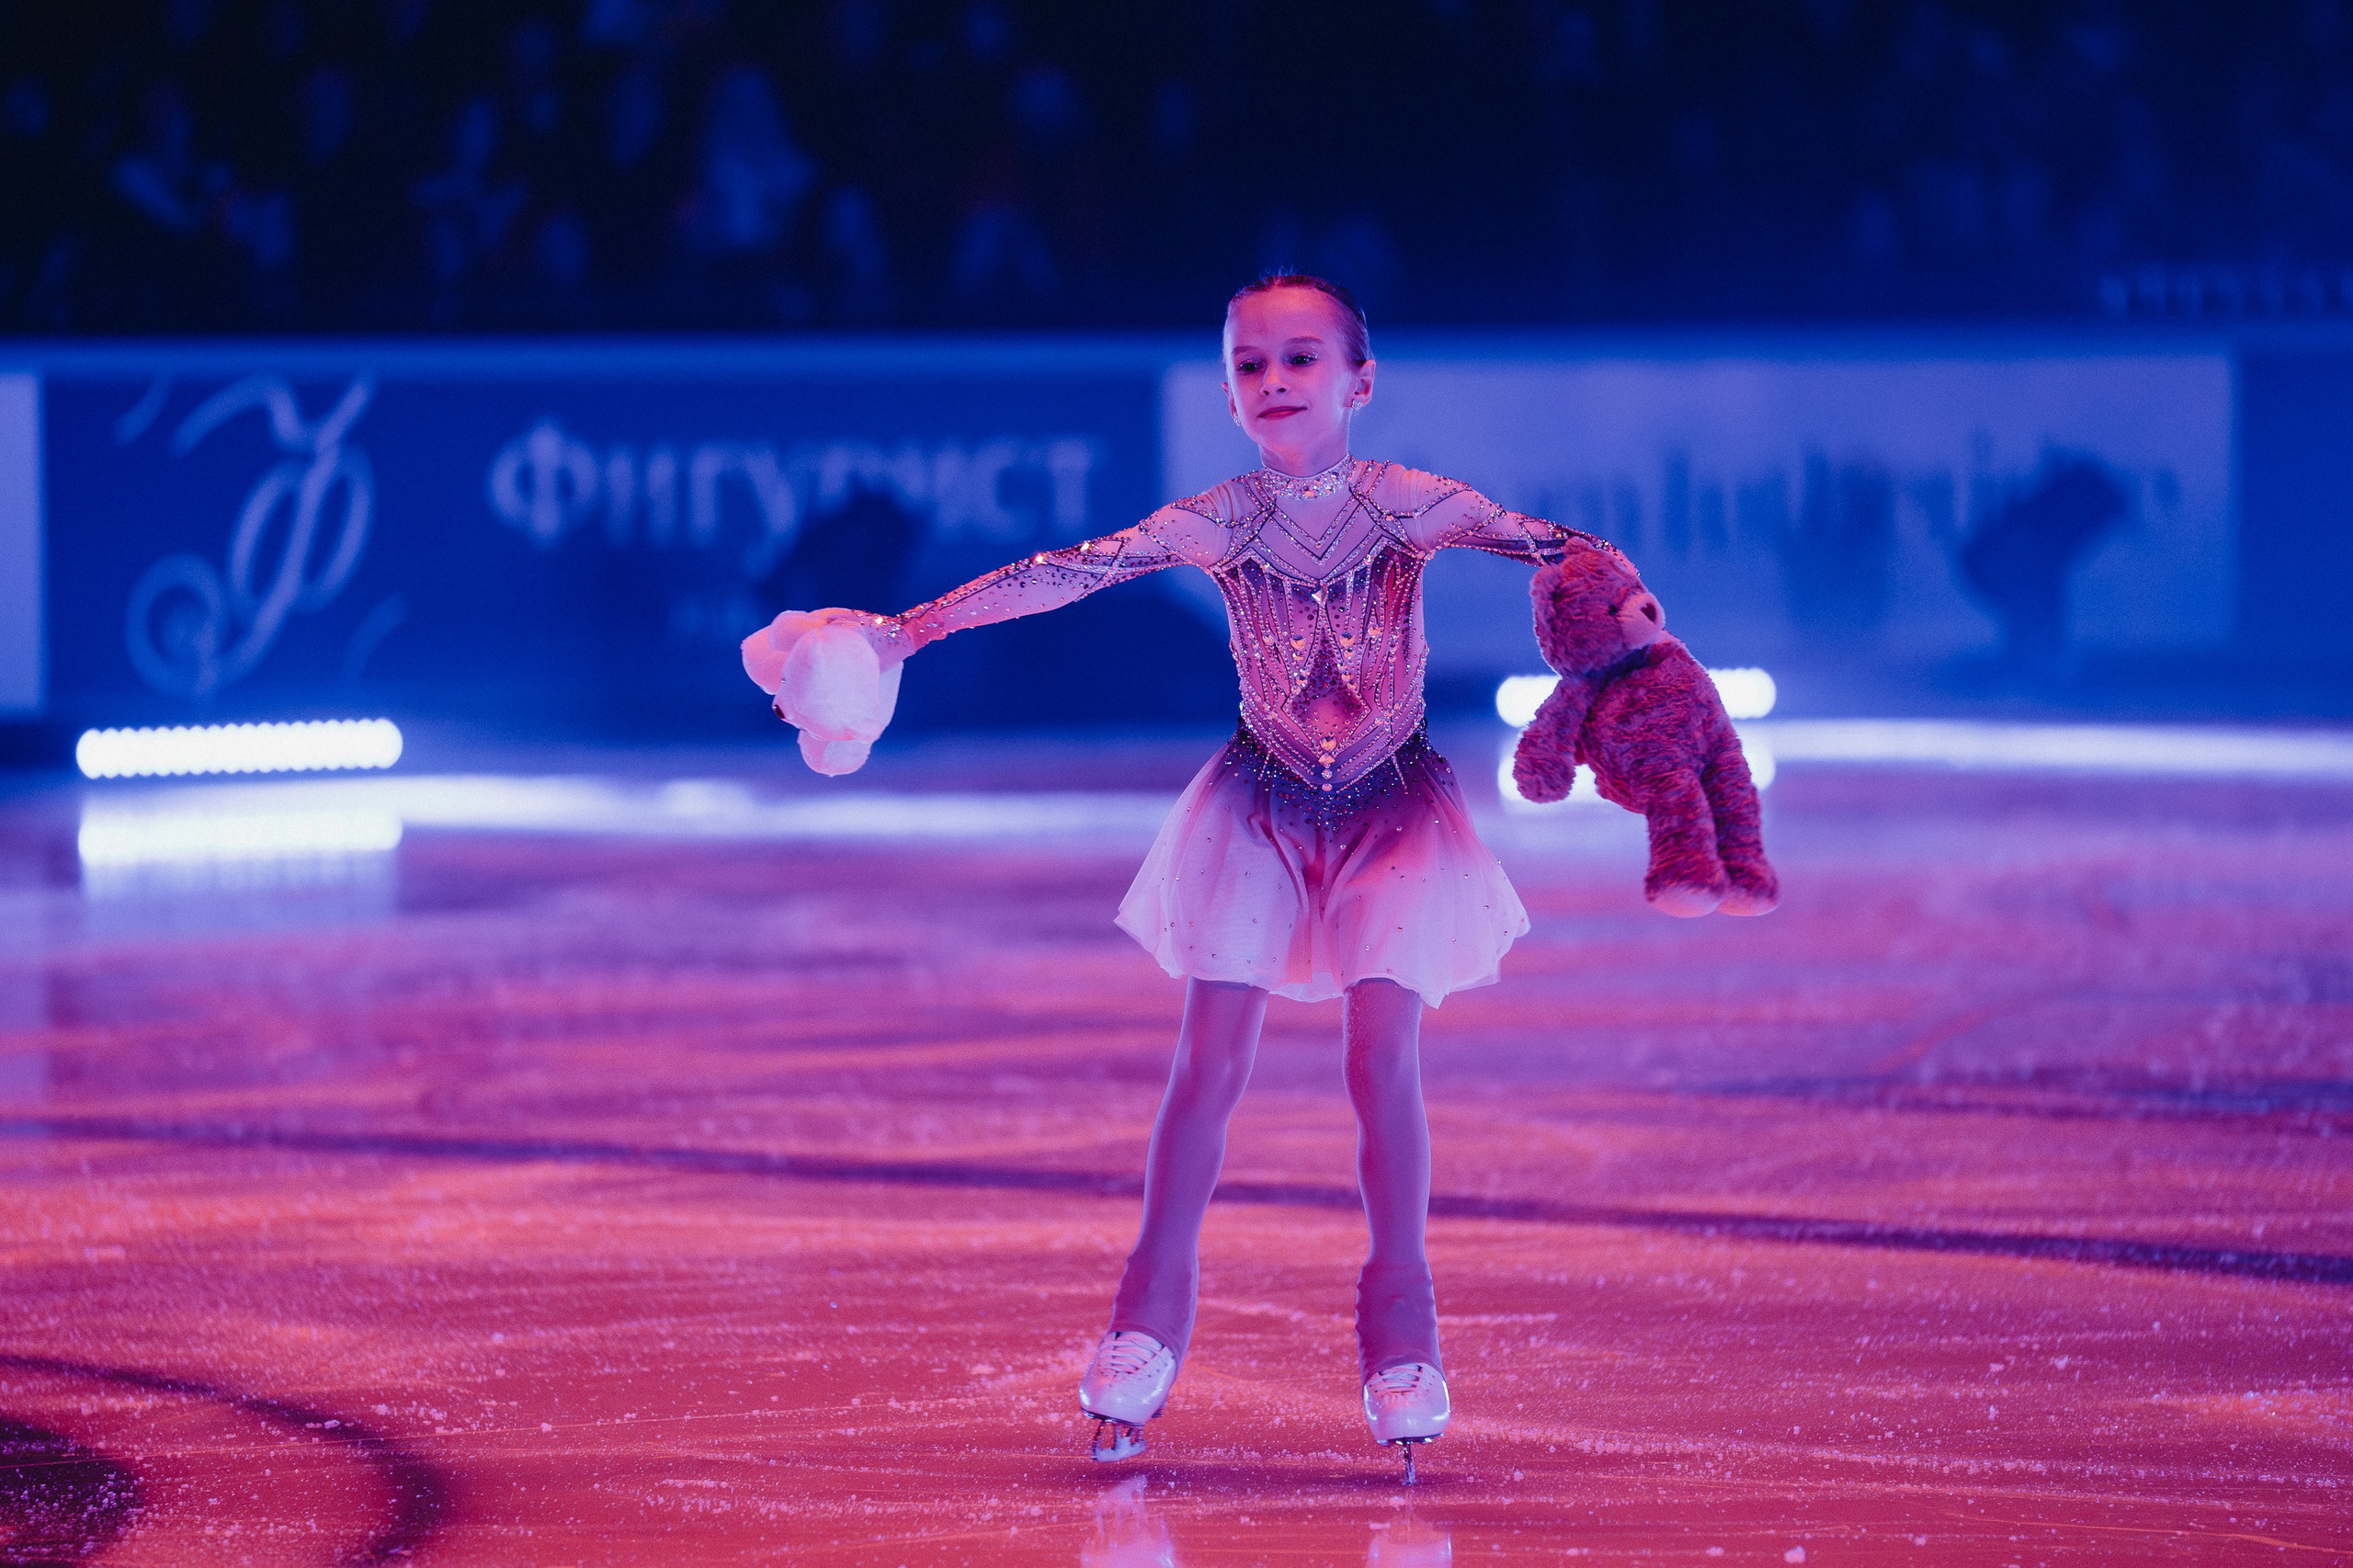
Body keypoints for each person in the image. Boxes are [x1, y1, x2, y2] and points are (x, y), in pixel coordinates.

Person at [802, 274, 1644, 1480]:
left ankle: (1402, 1337)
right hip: (1258, 808)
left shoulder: (1411, 505)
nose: (1275, 384)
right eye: (1251, 366)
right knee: (1207, 1066)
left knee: (1379, 1059)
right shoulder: (1220, 518)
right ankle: (1145, 1325)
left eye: (1301, 361)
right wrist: (911, 629)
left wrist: (1618, 605)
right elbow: (1069, 570)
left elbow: (1552, 545)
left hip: (1390, 811)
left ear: (1361, 380)